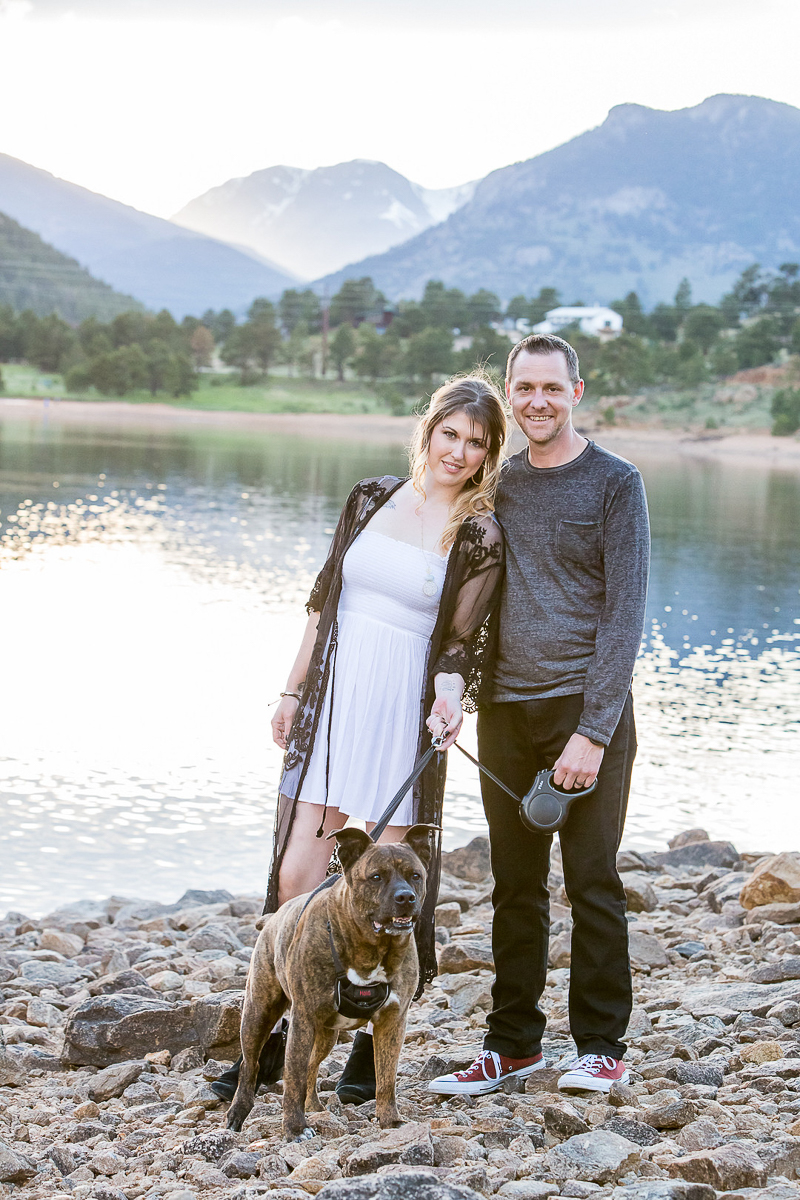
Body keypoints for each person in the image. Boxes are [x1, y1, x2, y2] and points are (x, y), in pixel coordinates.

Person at [212, 373, 507, 1105]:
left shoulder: (479, 533)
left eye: (475, 442)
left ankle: (367, 1049)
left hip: (401, 714)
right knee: (295, 881)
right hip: (336, 700)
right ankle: (281, 1038)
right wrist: (292, 690)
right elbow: (324, 601)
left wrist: (449, 699)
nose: (458, 451)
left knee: (386, 890)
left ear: (489, 453)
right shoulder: (371, 497)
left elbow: (460, 645)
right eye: (449, 433)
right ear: (428, 430)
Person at [428, 333, 650, 1097]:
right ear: (511, 393)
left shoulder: (615, 483)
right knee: (514, 887)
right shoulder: (500, 485)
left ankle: (601, 1047)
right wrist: (451, 690)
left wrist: (593, 730)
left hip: (586, 714)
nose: (538, 401)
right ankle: (513, 1045)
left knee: (593, 882)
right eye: (524, 388)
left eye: (552, 388)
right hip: (506, 712)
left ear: (576, 392)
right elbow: (464, 591)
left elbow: (624, 617)